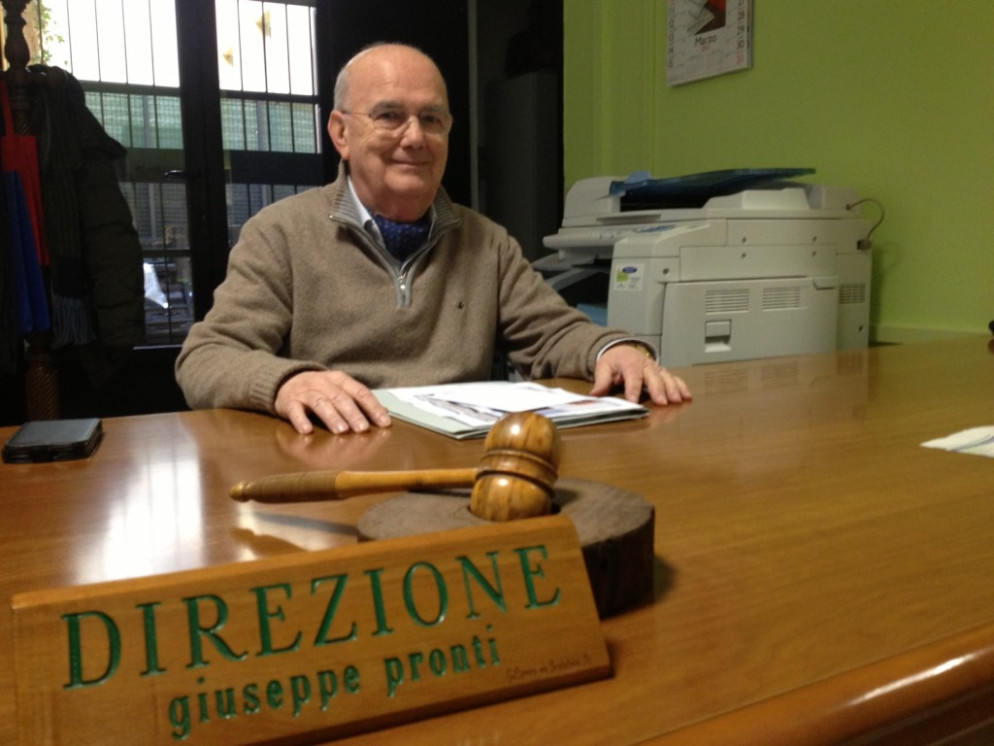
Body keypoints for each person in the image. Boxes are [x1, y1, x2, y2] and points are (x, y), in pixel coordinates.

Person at [175, 43, 690, 435]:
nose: (415, 137)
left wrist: (612, 349)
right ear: (340, 133)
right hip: (336, 460)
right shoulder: (280, 233)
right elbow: (207, 357)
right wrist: (286, 383)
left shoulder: (486, 241)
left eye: (432, 119)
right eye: (389, 116)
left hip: (458, 462)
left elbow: (552, 334)